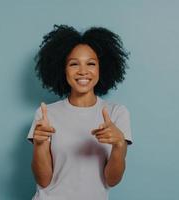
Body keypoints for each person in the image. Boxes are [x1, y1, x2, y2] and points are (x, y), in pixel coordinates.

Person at [27, 24, 133, 200]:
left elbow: (112, 180)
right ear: (63, 69)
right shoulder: (46, 114)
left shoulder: (117, 113)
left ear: (102, 68)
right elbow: (43, 181)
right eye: (74, 64)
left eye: (91, 63)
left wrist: (119, 145)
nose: (83, 71)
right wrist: (39, 145)